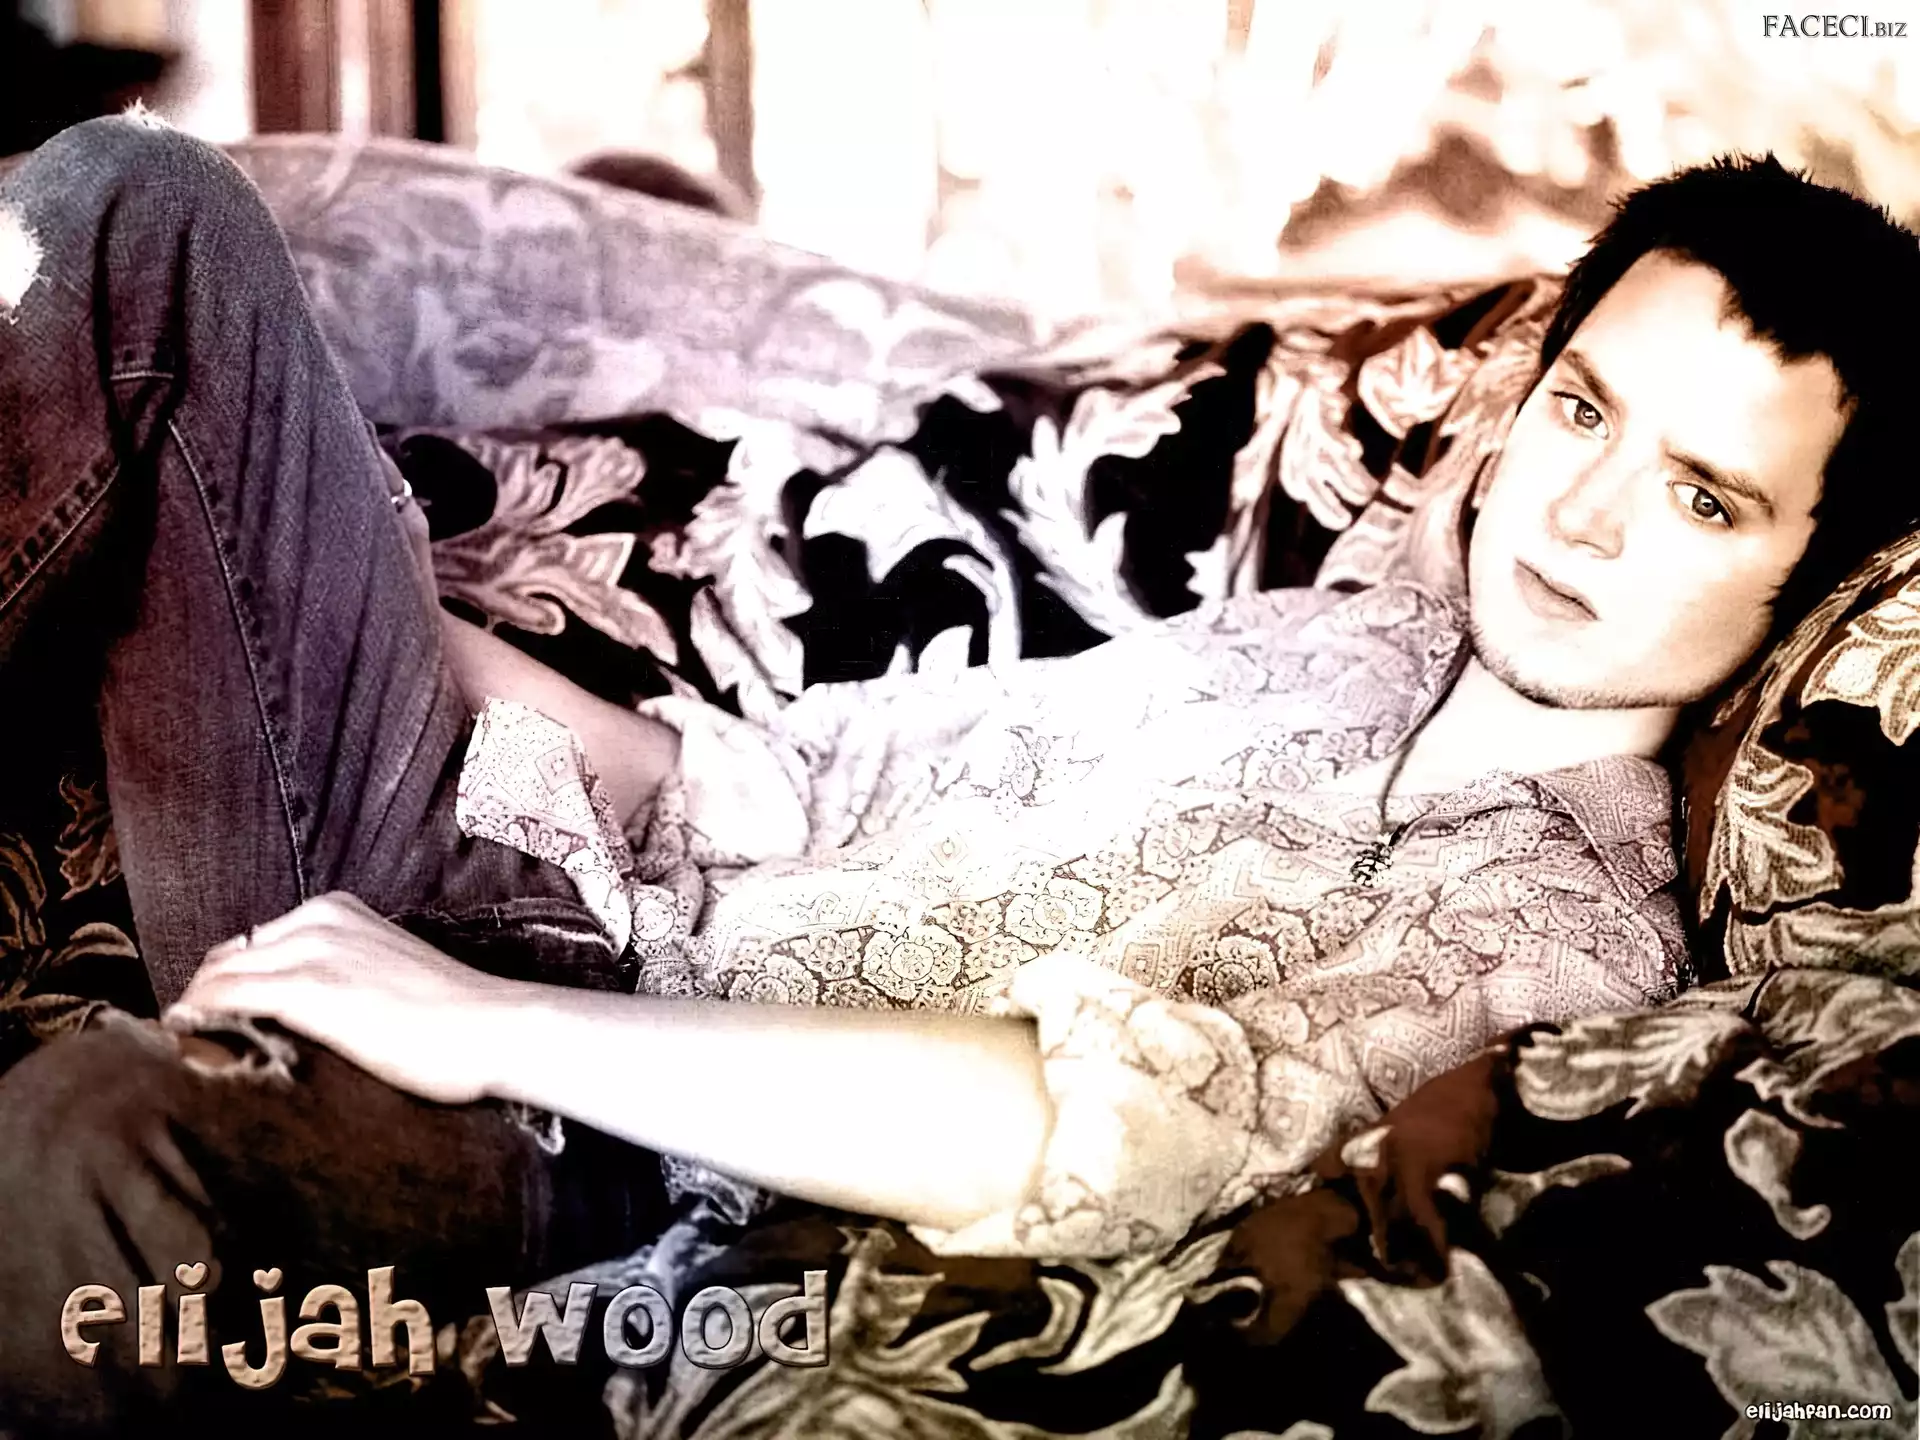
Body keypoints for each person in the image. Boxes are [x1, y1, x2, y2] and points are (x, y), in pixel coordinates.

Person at [0, 114, 1915, 1434]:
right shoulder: (1331, 634)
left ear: (1807, 581)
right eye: (1583, 410)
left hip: (608, 1136)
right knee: (145, 213)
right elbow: (749, 782)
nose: (1579, 513)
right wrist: (314, 593)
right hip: (529, 872)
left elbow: (1079, 1130)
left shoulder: (1570, 929)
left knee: (95, 1144)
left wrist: (476, 1020)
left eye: (1700, 497)